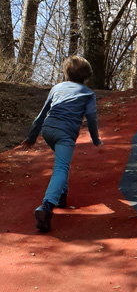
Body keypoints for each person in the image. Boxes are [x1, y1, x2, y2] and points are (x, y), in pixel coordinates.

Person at [17, 54, 103, 234]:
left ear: (66, 73)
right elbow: (91, 118)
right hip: (65, 134)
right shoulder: (88, 93)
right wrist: (95, 139)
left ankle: (62, 195)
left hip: (48, 130)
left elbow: (41, 115)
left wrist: (32, 137)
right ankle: (46, 207)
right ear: (86, 77)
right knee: (61, 168)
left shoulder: (57, 88)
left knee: (60, 163)